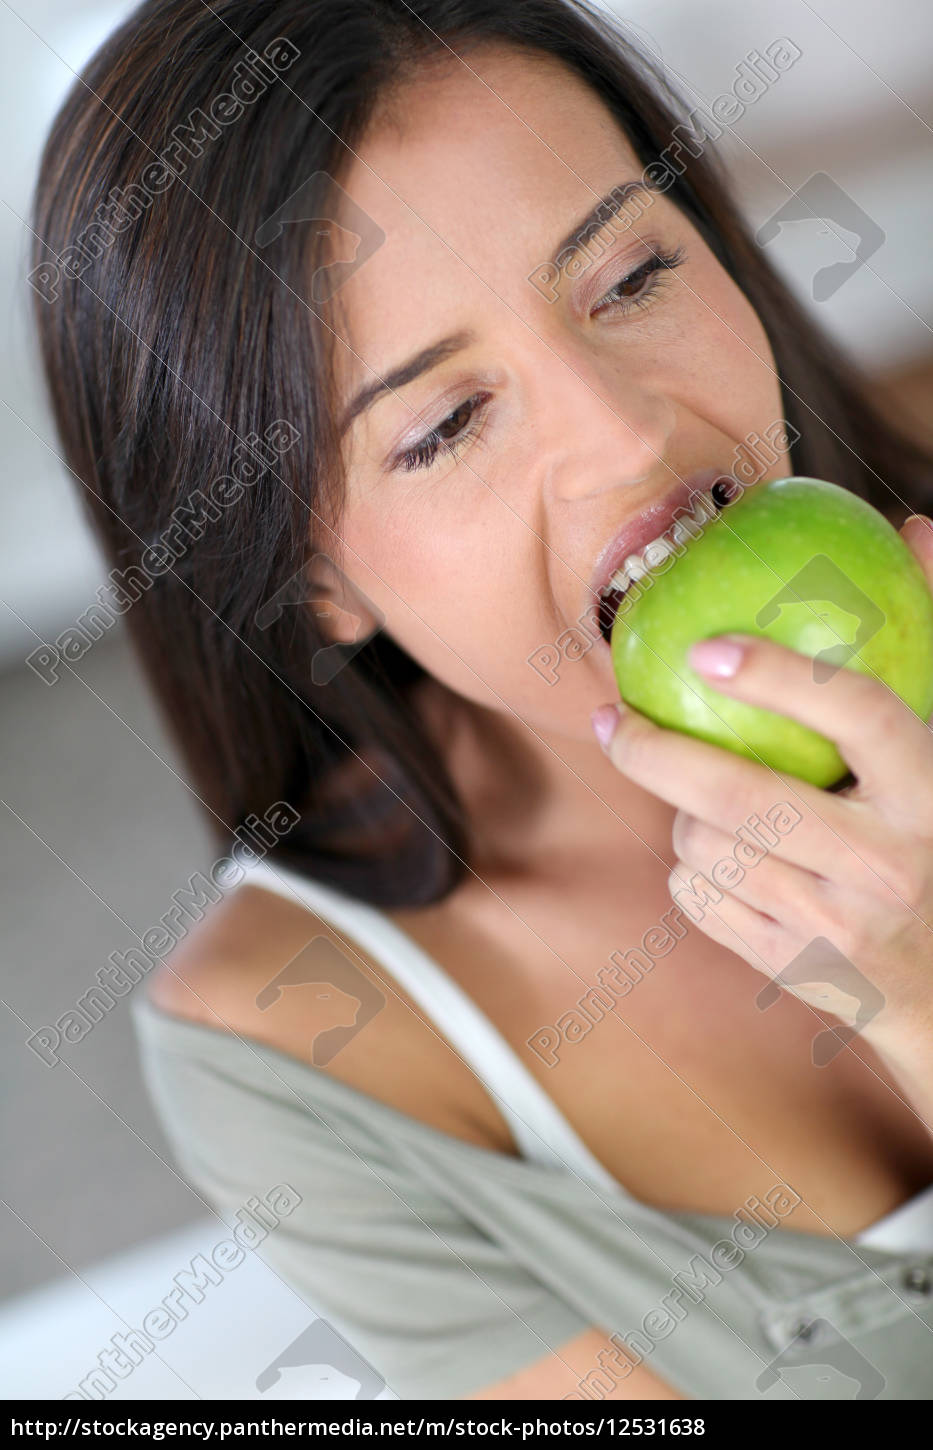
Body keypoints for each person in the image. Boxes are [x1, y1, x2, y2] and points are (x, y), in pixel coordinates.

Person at [30, 0, 933, 1401]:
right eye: (444, 422)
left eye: (629, 275)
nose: (623, 432)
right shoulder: (303, 1050)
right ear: (307, 574)